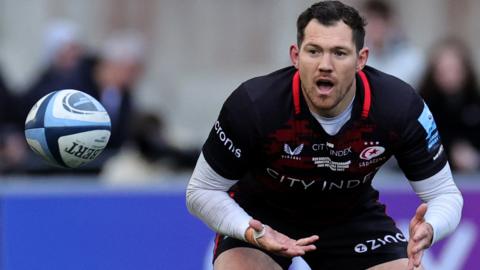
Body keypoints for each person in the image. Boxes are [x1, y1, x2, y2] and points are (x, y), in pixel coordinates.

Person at [186, 1, 463, 269]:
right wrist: (250, 231)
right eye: (314, 51)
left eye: (339, 53)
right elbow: (201, 190)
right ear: (296, 56)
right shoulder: (254, 105)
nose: (325, 65)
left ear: (361, 59)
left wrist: (431, 227)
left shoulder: (399, 107)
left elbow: (445, 194)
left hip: (351, 218)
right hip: (263, 215)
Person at [419, 37, 480, 172]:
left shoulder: (475, 102)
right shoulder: (421, 105)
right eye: (443, 70)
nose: (450, 77)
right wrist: (450, 153)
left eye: (455, 70)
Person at [362, 0, 425, 88]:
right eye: (371, 22)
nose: (376, 27)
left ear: (390, 23)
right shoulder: (358, 56)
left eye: (380, 21)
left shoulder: (411, 57)